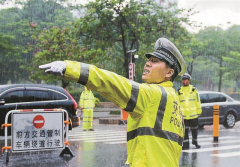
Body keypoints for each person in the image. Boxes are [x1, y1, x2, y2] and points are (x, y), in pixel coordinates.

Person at [39, 37, 186, 167]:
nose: (147, 64)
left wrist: (71, 68)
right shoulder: (174, 101)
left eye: (155, 61)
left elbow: (112, 83)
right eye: (149, 60)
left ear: (169, 72)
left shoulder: (153, 94)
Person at [177, 73, 202, 150]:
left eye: (185, 80)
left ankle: (195, 142)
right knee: (185, 132)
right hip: (183, 116)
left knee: (194, 130)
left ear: (189, 80)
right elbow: (177, 103)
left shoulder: (193, 90)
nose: (183, 81)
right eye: (183, 80)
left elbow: (197, 101)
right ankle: (185, 145)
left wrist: (199, 111)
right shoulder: (179, 91)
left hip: (193, 115)